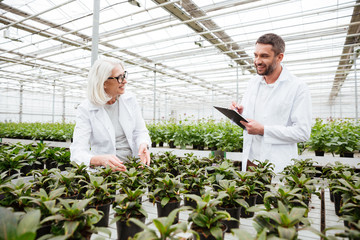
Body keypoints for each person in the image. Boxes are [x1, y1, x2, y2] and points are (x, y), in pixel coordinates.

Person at [231, 33, 312, 173]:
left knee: (274, 195)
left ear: (279, 57)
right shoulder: (253, 82)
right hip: (251, 161)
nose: (257, 61)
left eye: (264, 56)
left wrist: (263, 130)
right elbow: (249, 122)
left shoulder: (297, 87)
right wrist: (238, 114)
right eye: (256, 55)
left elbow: (302, 132)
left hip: (276, 164)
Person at [70, 57, 151, 171]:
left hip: (133, 168)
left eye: (124, 75)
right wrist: (99, 160)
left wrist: (143, 144)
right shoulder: (86, 109)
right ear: (103, 82)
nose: (125, 81)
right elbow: (77, 152)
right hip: (105, 172)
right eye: (119, 77)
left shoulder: (130, 100)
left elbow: (140, 131)